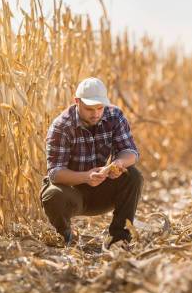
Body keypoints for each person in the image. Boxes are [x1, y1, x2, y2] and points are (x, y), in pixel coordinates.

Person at [40, 77, 143, 246]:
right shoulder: (61, 126)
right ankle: (64, 235)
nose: (95, 114)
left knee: (133, 175)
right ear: (77, 102)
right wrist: (86, 177)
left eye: (99, 108)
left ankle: (119, 239)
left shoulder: (114, 116)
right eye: (89, 109)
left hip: (101, 188)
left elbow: (131, 152)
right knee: (53, 195)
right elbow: (55, 173)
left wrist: (118, 164)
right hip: (72, 192)